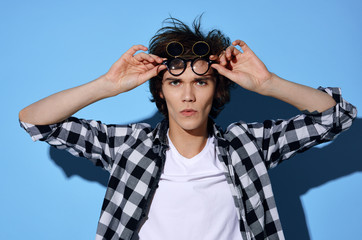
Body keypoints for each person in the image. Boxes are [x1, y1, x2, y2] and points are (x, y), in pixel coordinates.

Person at [19, 17, 357, 240]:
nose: (188, 95)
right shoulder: (129, 147)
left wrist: (268, 83)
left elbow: (336, 117)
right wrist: (107, 85)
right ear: (161, 90)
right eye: (175, 82)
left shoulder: (248, 145)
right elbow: (34, 120)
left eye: (201, 82)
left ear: (217, 88)